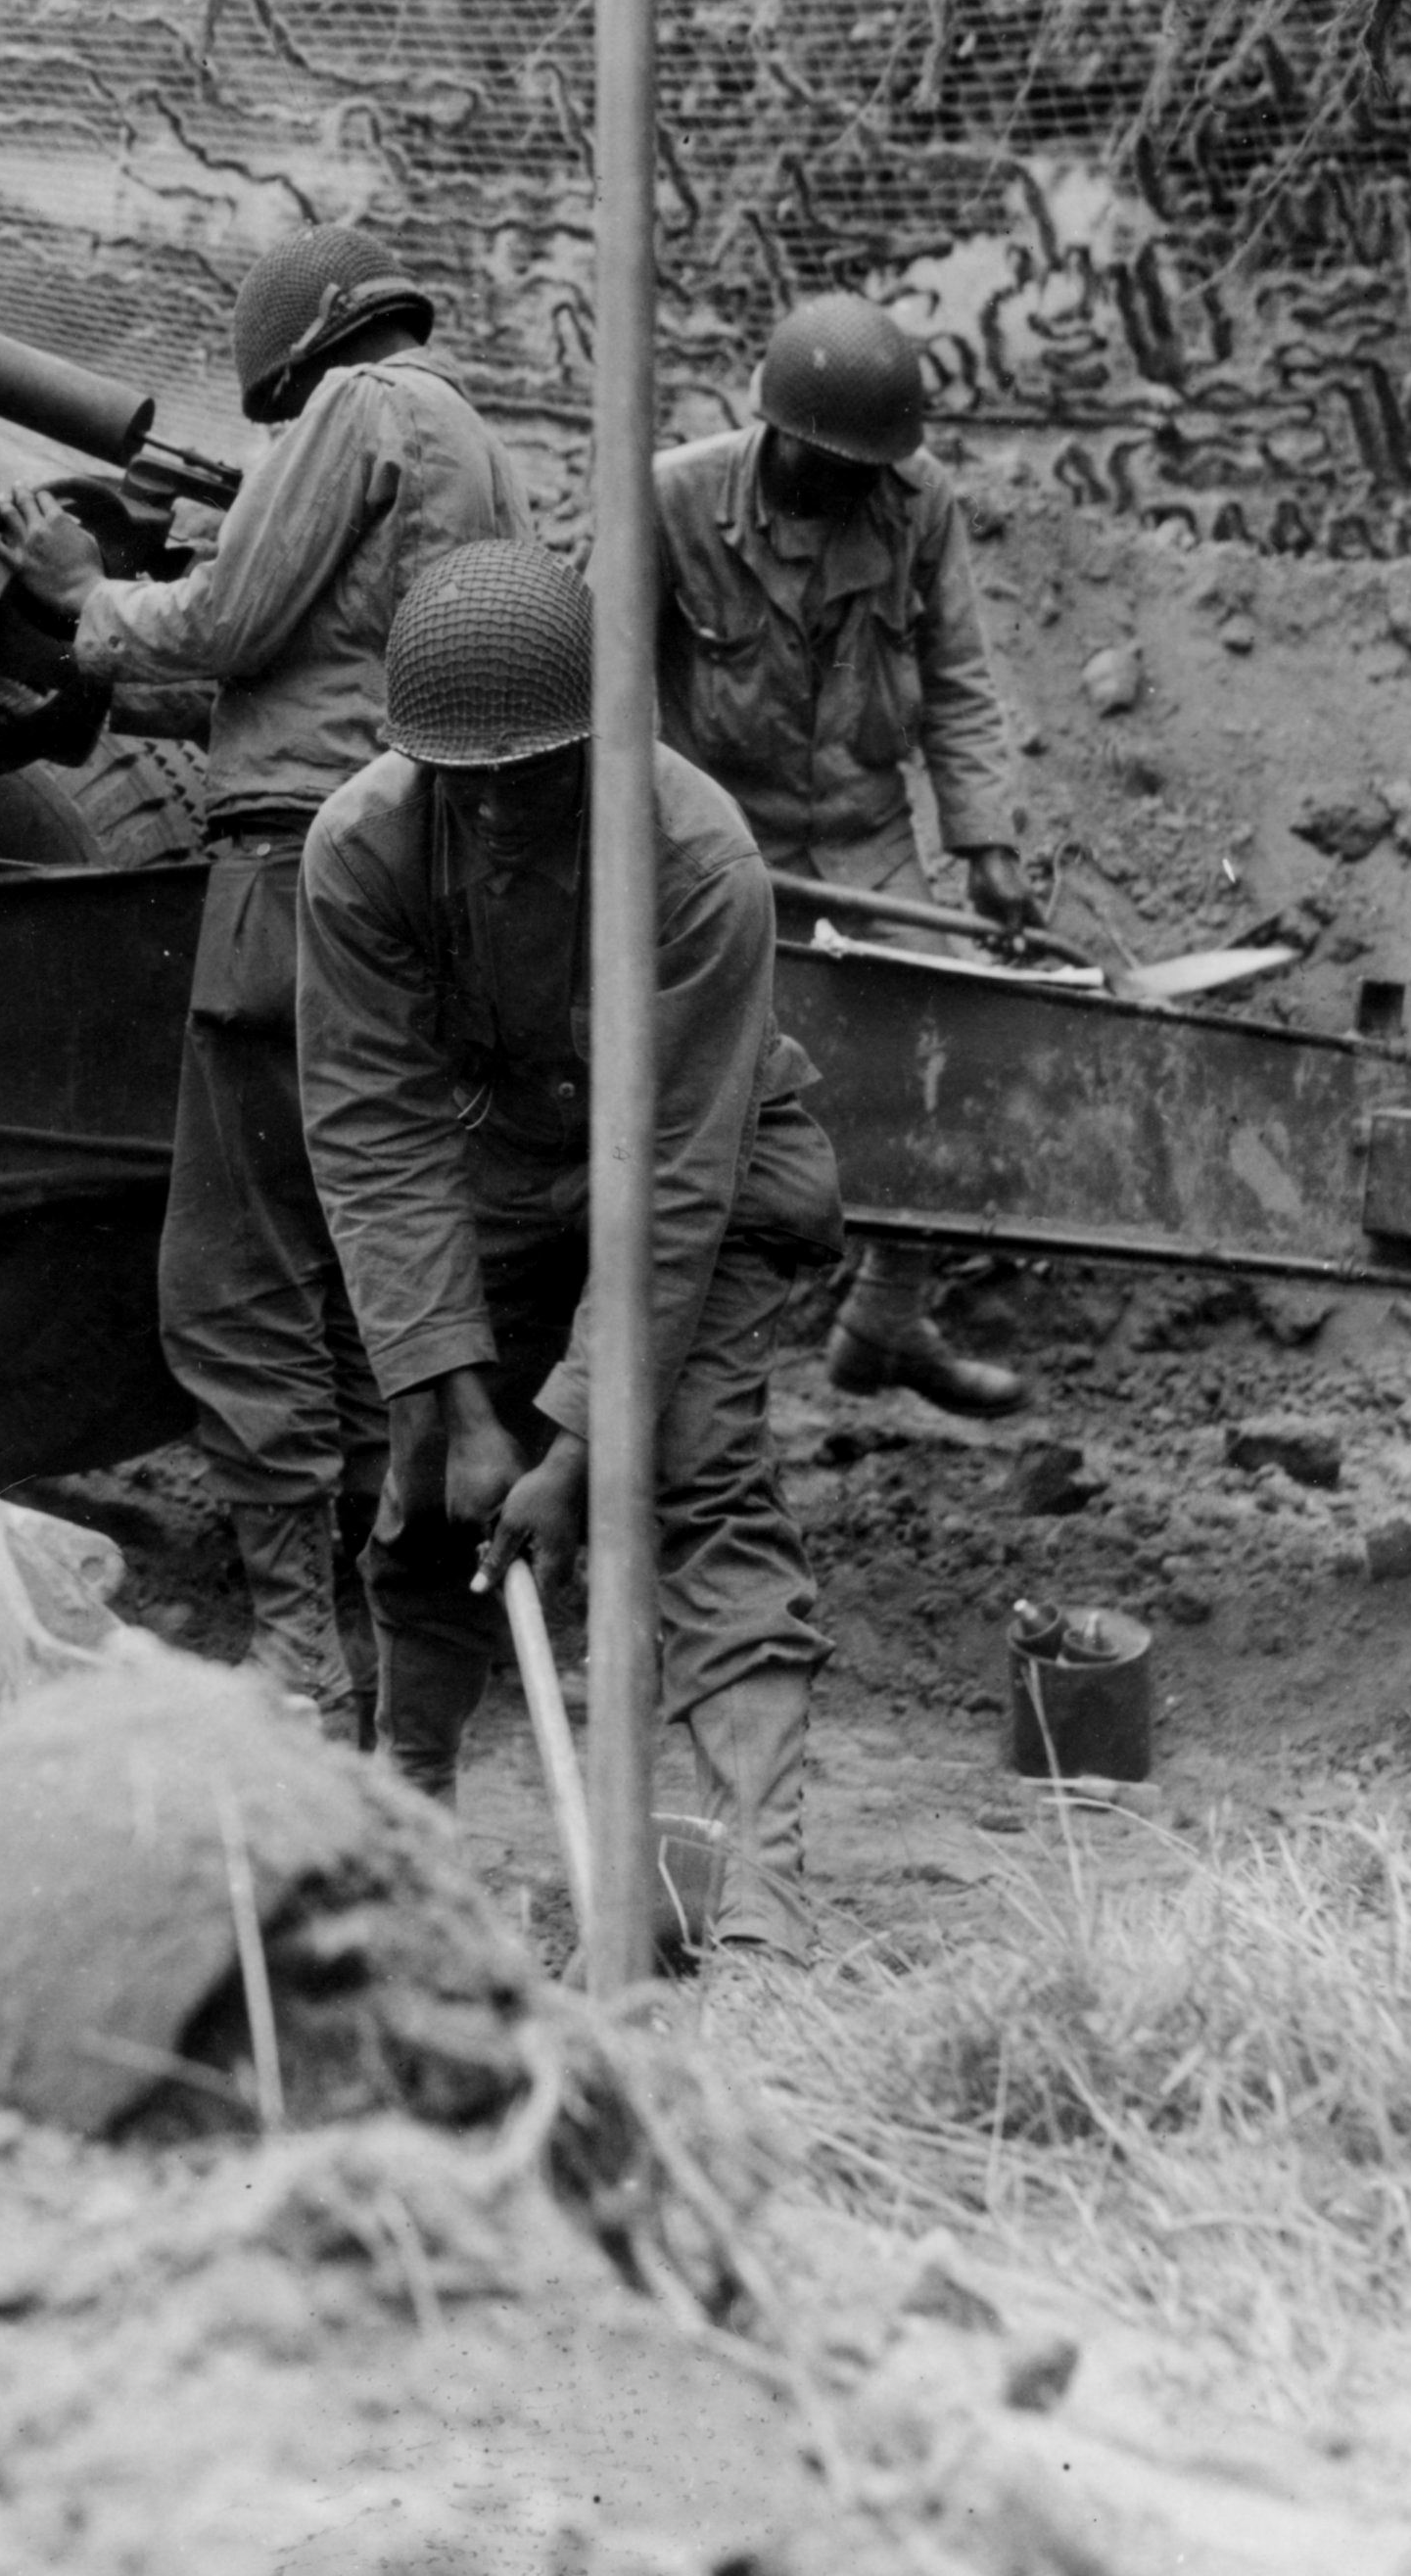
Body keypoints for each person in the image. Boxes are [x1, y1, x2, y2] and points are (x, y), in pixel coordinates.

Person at [1, 222, 526, 1741]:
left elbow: (228, 628)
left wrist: (79, 588)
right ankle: (388, 1642)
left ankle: (299, 1656)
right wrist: (126, 630)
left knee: (235, 1284)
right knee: (372, 1272)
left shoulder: (353, 413)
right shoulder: (465, 436)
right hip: (412, 881)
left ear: (293, 352)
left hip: (291, 886)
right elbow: (274, 668)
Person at [295, 537, 842, 1962]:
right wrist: (460, 1403)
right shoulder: (359, 848)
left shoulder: (698, 859)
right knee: (427, 1491)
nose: (488, 818)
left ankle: (762, 1899)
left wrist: (580, 1443)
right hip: (498, 1164)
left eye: (526, 782)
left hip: (701, 1174)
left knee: (694, 1478)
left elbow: (668, 1178)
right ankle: (404, 1844)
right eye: (455, 787)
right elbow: (373, 1132)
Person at [647, 294, 1040, 1421]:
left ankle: (883, 1319)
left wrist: (985, 840)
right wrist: (654, 840)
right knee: (711, 1088)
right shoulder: (674, 498)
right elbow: (604, 677)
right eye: (843, 465)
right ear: (783, 439)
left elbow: (956, 676)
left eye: (881, 464)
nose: (866, 483)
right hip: (719, 842)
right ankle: (689, 1360)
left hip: (864, 837)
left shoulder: (916, 502)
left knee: (946, 1051)